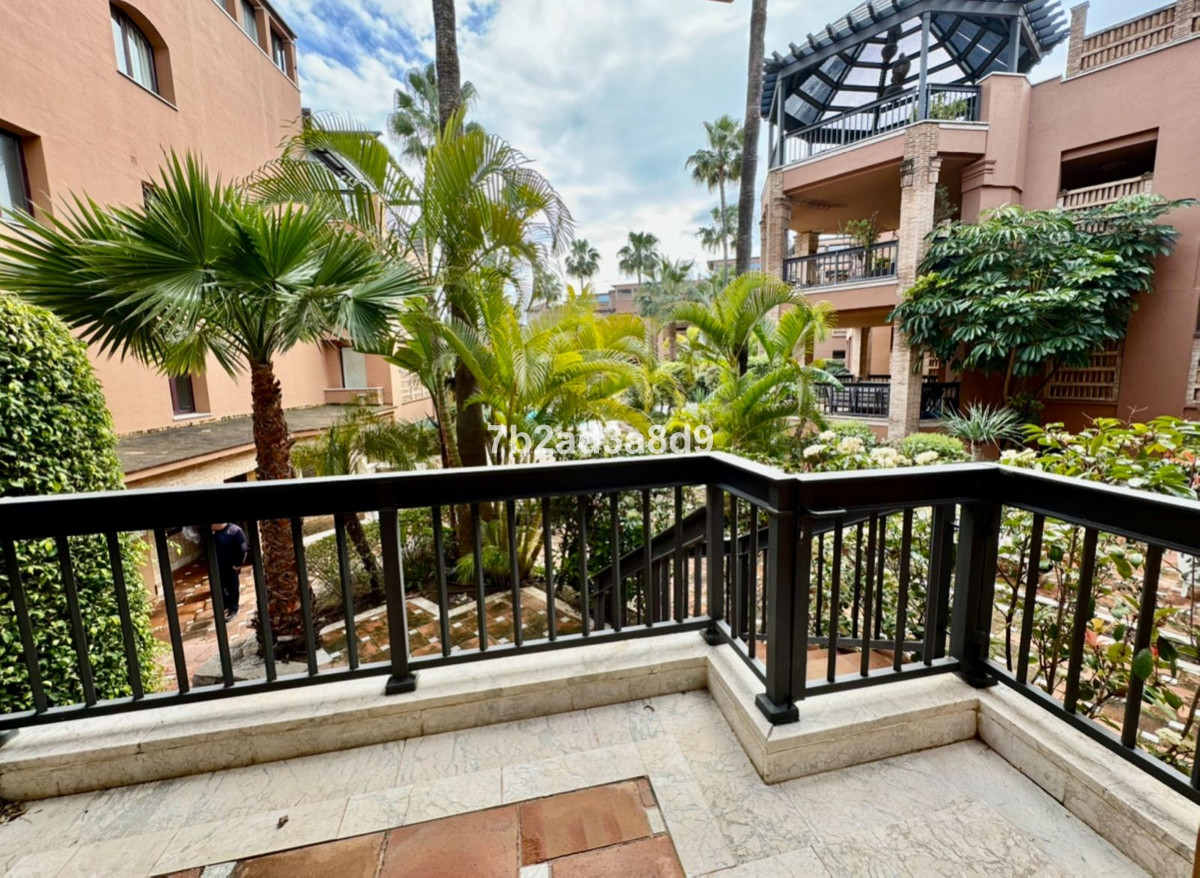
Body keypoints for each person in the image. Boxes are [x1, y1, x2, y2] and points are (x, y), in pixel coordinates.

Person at [210, 522, 249, 622]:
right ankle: (225, 605)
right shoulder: (212, 533)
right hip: (218, 567)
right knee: (221, 586)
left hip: (231, 567)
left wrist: (238, 564)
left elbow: (243, 548)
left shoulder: (235, 531)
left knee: (232, 586)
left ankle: (233, 608)